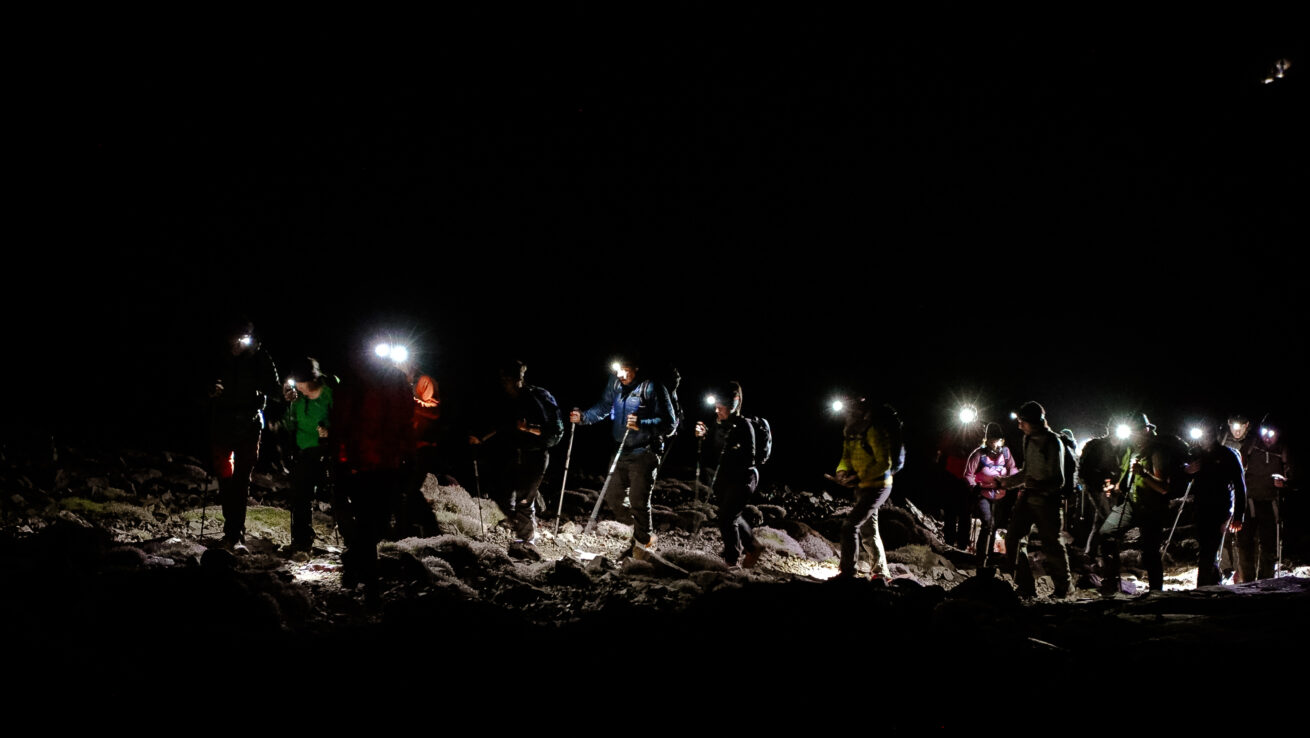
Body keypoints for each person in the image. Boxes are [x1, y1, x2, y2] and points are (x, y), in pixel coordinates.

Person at [330, 341, 416, 603]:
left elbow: (406, 418)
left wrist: (406, 452)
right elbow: (342, 419)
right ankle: (369, 582)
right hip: (361, 461)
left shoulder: (397, 381)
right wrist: (340, 456)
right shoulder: (354, 383)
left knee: (377, 521)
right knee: (369, 519)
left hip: (386, 460)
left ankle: (356, 565)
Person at [570, 355, 675, 560]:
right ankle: (640, 534)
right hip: (621, 449)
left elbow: (670, 424)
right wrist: (583, 417)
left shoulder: (652, 387)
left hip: (644, 451)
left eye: (625, 369)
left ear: (636, 367)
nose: (620, 375)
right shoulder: (615, 383)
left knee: (638, 499)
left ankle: (643, 544)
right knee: (613, 497)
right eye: (617, 369)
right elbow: (603, 407)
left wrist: (642, 423)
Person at [468, 359, 564, 548]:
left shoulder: (537, 397)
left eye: (508, 379)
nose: (505, 383)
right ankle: (522, 527)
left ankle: (527, 540)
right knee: (504, 494)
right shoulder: (510, 399)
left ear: (517, 378)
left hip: (535, 454)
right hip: (513, 452)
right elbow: (502, 424)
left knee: (524, 498)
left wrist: (528, 428)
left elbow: (552, 429)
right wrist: (481, 439)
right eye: (503, 380)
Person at [206, 317, 281, 551]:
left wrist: (263, 387)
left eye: (243, 338)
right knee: (225, 478)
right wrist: (210, 391)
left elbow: (274, 389)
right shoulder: (219, 355)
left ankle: (234, 533)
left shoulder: (260, 357)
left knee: (240, 480)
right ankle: (232, 529)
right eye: (235, 338)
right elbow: (200, 385)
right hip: (222, 423)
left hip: (249, 424)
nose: (238, 343)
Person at [994, 401, 1072, 599]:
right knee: (1013, 538)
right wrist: (1006, 483)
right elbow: (1027, 471)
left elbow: (1059, 479)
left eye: (1022, 422)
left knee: (1052, 544)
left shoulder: (1053, 442)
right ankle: (1025, 585)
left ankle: (1063, 588)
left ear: (1033, 422)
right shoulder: (1027, 439)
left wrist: (1036, 485)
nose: (1019, 426)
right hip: (1028, 497)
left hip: (1047, 501)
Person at [1095, 413, 1175, 595]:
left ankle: (1156, 593)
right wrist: (1114, 488)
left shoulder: (1157, 451)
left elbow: (1164, 488)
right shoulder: (1132, 450)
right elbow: (1127, 478)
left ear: (1147, 430)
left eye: (1138, 433)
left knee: (1150, 553)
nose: (1135, 437)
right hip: (1131, 504)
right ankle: (1111, 582)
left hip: (1152, 508)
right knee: (1106, 533)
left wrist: (1144, 474)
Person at [831, 396, 904, 581]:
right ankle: (880, 572)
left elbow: (884, 463)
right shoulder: (850, 432)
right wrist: (841, 471)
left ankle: (848, 572)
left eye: (849, 413)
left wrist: (858, 477)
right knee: (868, 529)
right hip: (864, 486)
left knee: (850, 526)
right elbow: (846, 457)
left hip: (879, 485)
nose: (847, 416)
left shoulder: (873, 431)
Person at [695, 381, 762, 569]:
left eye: (720, 407)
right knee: (730, 514)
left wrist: (730, 450)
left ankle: (731, 560)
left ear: (734, 403)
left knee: (726, 517)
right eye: (715, 407)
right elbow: (710, 454)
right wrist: (703, 438)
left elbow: (750, 457)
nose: (717, 411)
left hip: (743, 478)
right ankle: (753, 546)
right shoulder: (718, 425)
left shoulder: (744, 426)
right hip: (723, 477)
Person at [1183, 419, 1246, 587]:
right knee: (1206, 549)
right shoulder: (1196, 454)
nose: (1206, 438)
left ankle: (1201, 588)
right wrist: (1187, 471)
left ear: (1215, 435)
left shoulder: (1228, 455)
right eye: (1204, 435)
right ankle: (1214, 584)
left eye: (1209, 434)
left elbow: (1240, 486)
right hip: (1201, 509)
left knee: (1208, 551)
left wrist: (1238, 515)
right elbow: (1182, 476)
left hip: (1221, 509)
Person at [280, 356, 334, 552]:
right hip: (303, 451)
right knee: (300, 496)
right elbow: (289, 422)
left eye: (300, 382)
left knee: (336, 495)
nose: (298, 387)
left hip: (327, 451)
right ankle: (302, 541)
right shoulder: (298, 399)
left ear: (312, 379)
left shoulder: (329, 395)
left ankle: (353, 538)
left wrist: (330, 431)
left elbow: (345, 420)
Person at [1237, 413, 1293, 581]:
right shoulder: (1252, 444)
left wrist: (1285, 482)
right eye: (1264, 432)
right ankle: (1247, 580)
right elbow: (1239, 465)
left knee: (1268, 546)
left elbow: (1293, 475)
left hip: (1270, 503)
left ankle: (1266, 581)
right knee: (1245, 544)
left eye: (1271, 433)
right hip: (1249, 501)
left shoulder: (1283, 450)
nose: (1267, 437)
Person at [963, 422, 1017, 566]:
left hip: (1001, 495)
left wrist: (1009, 481)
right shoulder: (978, 454)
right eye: (992, 440)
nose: (995, 443)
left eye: (997, 440)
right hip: (984, 495)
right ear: (986, 440)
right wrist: (973, 486)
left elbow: (1013, 469)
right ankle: (981, 557)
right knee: (988, 523)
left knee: (998, 527)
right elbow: (968, 474)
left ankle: (994, 557)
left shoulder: (1006, 453)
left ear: (1001, 440)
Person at [1075, 420, 1127, 553]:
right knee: (1108, 519)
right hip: (1096, 487)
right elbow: (1086, 471)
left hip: (1111, 487)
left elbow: (1118, 468)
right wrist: (1099, 484)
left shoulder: (1121, 447)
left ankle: (1091, 554)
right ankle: (1109, 555)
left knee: (1100, 522)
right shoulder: (1097, 446)